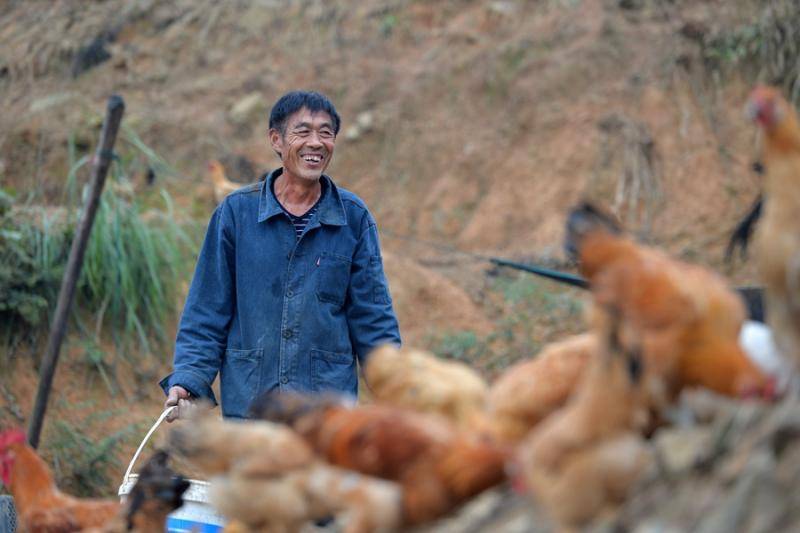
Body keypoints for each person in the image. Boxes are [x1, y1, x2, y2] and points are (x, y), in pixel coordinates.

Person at [160, 90, 401, 420]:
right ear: (276, 140)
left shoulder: (353, 218)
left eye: (326, 133)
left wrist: (398, 389)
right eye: (303, 132)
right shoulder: (236, 214)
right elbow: (207, 311)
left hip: (325, 418)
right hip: (251, 409)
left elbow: (374, 319)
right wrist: (188, 381)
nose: (316, 142)